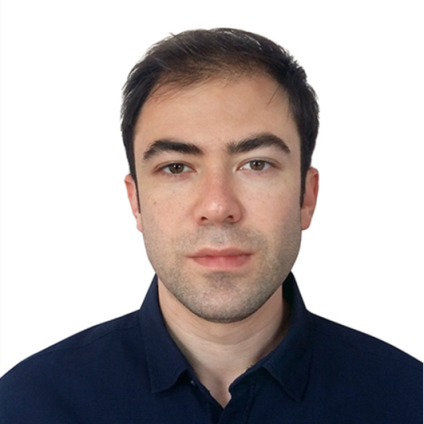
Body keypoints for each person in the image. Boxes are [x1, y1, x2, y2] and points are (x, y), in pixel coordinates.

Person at [0, 28, 421, 423]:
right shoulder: (28, 404)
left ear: (306, 197)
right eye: (176, 167)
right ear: (136, 202)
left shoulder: (408, 399)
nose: (218, 207)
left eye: (256, 164)